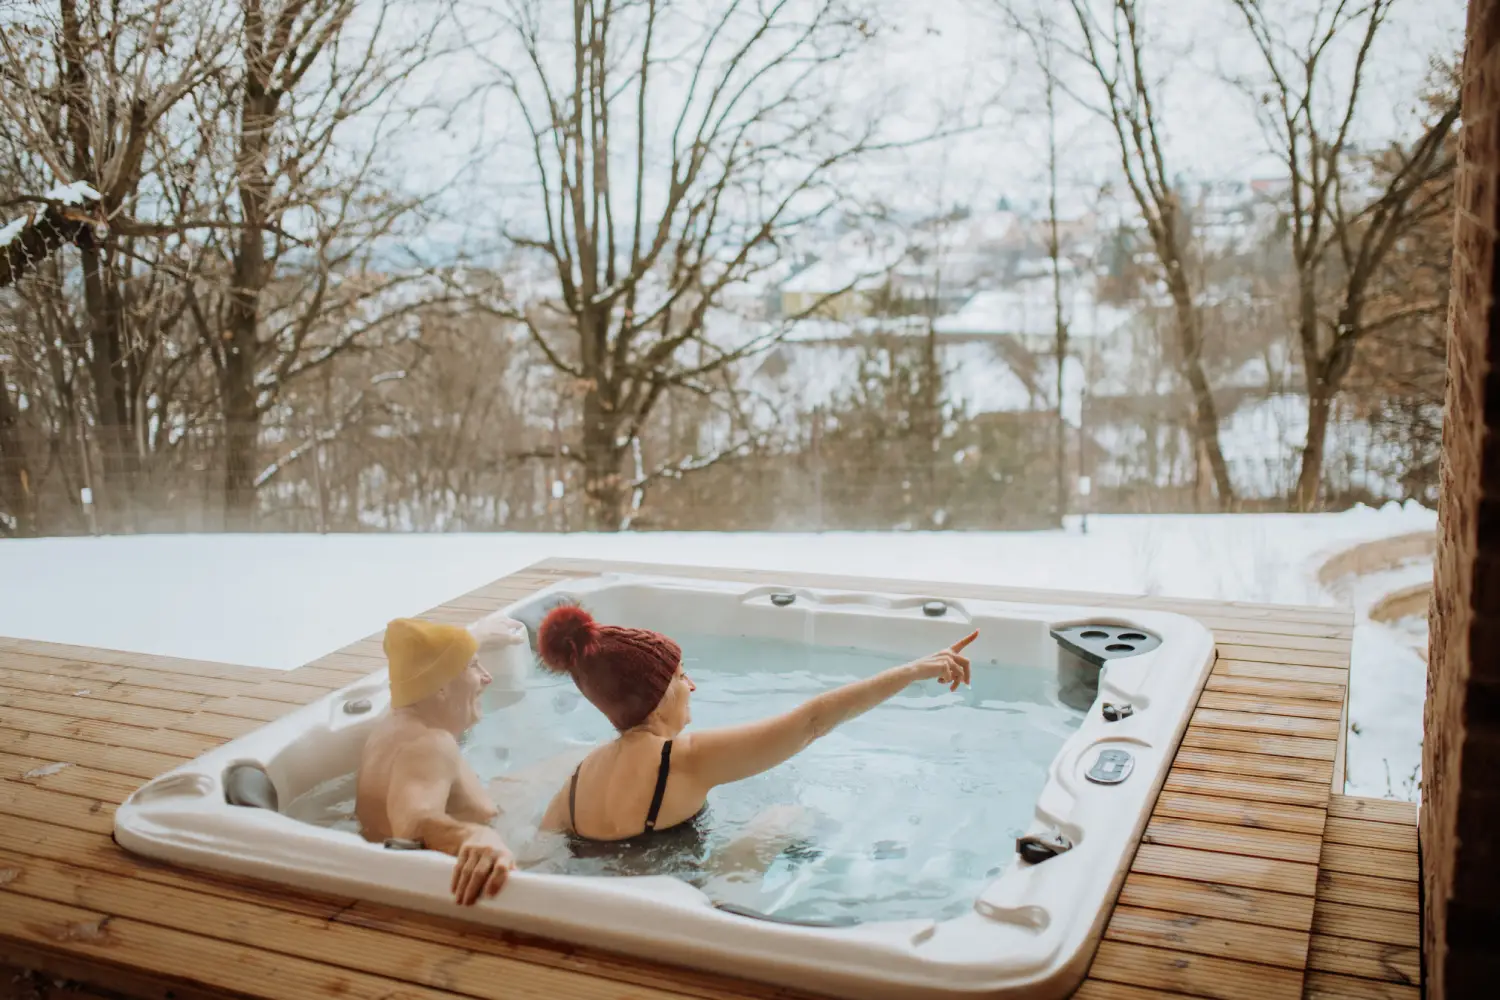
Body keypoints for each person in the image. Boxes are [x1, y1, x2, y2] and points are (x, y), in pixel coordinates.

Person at [535, 604, 976, 849]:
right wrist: (913, 671)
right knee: (784, 816)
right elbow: (814, 721)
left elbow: (540, 854)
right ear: (656, 694)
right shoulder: (682, 759)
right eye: (680, 675)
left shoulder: (578, 779)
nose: (692, 684)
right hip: (683, 921)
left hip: (617, 913)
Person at [355, 617, 520, 906]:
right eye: (473, 666)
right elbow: (414, 821)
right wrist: (474, 835)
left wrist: (474, 638)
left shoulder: (390, 727)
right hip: (447, 894)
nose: (487, 677)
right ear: (441, 689)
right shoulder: (430, 744)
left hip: (379, 876)